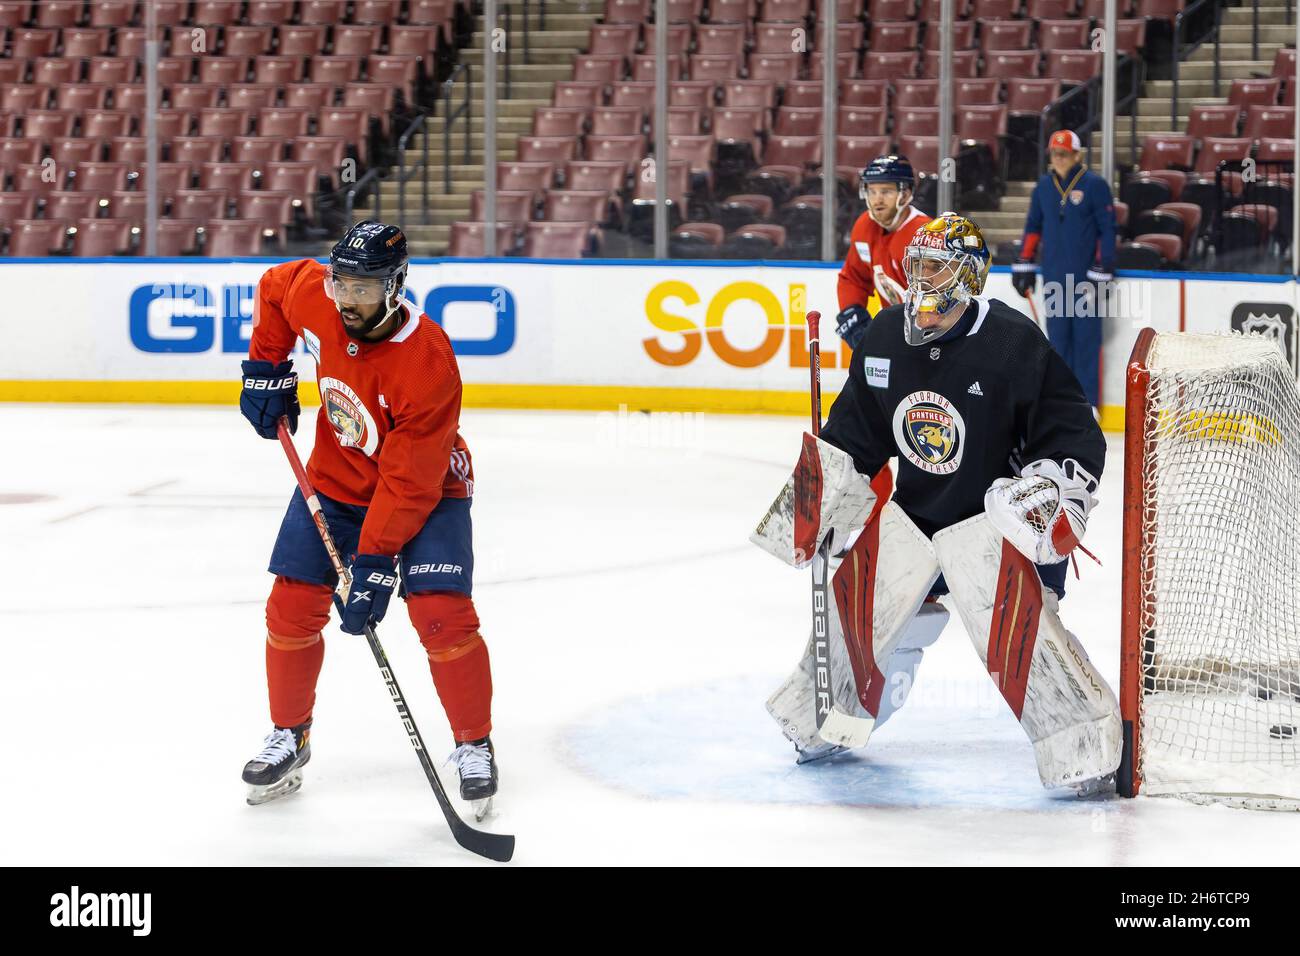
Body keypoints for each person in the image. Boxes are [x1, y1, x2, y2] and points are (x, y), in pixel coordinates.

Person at [753, 214, 1120, 794]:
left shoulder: (1012, 342)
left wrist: (1050, 491)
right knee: (854, 607)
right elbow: (854, 433)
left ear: (969, 275)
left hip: (992, 524)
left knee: (1021, 641)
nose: (920, 277)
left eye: (935, 265)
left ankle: (1084, 748)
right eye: (916, 264)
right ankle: (824, 721)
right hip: (916, 515)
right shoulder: (882, 336)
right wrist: (811, 508)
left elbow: (1074, 434)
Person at [236, 220, 498, 812]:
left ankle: (473, 742)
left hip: (427, 492)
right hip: (336, 481)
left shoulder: (427, 361)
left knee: (441, 614)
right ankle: (290, 735)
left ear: (397, 284)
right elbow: (277, 284)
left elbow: (409, 482)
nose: (347, 300)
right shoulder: (320, 298)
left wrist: (375, 562)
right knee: (292, 606)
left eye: (364, 288)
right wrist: (267, 368)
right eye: (341, 285)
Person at [1011, 129, 1117, 410]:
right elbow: (1033, 227)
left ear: (1077, 155)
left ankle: (1088, 403)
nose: (1058, 158)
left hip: (1086, 280)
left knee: (1086, 340)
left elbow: (1107, 230)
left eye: (1064, 153)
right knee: (1057, 341)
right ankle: (1061, 402)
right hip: (1054, 276)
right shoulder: (1044, 187)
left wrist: (1103, 266)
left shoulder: (1095, 185)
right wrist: (1025, 263)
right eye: (1055, 153)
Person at [834, 154, 931, 350]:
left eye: (886, 192)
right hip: (897, 331)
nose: (877, 199)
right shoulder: (864, 226)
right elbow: (853, 278)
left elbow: (937, 296)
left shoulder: (924, 235)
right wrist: (852, 312)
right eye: (872, 191)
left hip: (931, 334)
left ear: (905, 194)